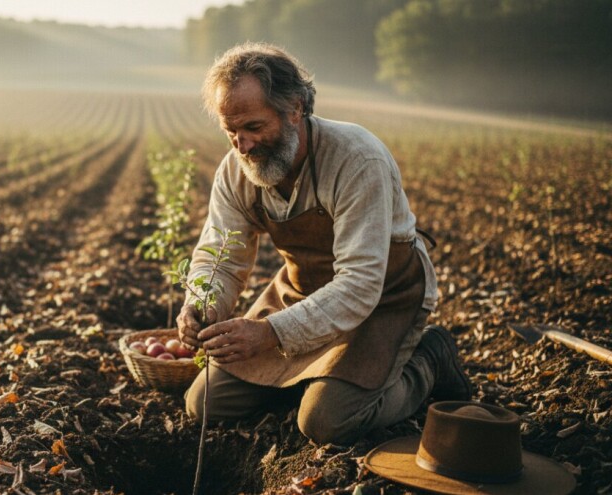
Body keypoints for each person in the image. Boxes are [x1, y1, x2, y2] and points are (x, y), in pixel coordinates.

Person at [177, 42, 471, 445]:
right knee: (206, 402)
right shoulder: (236, 170)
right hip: (301, 292)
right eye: (232, 132)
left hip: (382, 298)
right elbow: (221, 258)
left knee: (327, 422)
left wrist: (267, 334)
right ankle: (317, 377)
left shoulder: (356, 159)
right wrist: (201, 304)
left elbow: (359, 285)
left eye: (254, 128)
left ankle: (429, 364)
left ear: (295, 109)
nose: (241, 146)